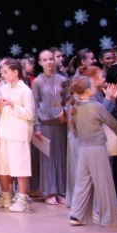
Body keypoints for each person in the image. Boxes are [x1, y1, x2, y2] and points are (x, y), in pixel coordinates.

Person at [68, 75, 117, 227]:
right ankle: (108, 218)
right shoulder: (95, 106)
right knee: (103, 183)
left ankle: (76, 215)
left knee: (82, 182)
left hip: (83, 148)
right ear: (88, 90)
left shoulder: (74, 107)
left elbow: (73, 130)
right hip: (97, 148)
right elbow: (112, 123)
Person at [0, 58, 35, 212]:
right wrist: (0, 105)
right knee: (3, 167)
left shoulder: (25, 90)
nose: (2, 75)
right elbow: (1, 113)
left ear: (15, 72)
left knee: (20, 167)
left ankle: (23, 199)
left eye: (5, 72)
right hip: (5, 131)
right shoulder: (4, 88)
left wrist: (12, 104)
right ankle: (6, 196)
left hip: (18, 133)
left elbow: (29, 114)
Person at [33, 49, 69, 205]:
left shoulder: (62, 79)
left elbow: (70, 99)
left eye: (51, 59)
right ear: (40, 63)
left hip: (60, 122)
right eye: (45, 60)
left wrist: (66, 110)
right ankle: (49, 192)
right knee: (47, 157)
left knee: (60, 156)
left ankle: (61, 191)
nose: (49, 62)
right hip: (45, 122)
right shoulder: (37, 81)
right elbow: (34, 105)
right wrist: (36, 126)